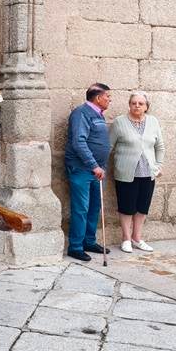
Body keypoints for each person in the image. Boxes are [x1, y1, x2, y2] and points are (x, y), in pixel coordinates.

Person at [108, 91, 165, 253]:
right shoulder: (119, 122)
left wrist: (158, 165)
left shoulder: (153, 121)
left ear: (146, 106)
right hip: (126, 172)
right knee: (126, 206)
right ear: (129, 105)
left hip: (148, 172)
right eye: (134, 103)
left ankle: (137, 238)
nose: (137, 106)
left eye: (141, 103)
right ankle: (126, 239)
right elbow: (109, 146)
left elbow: (160, 146)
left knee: (142, 207)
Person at [64, 83, 113, 262]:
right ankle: (76, 247)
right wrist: (94, 165)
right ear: (98, 98)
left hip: (97, 170)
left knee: (94, 207)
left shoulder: (98, 115)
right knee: (81, 208)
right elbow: (79, 142)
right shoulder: (81, 113)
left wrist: (100, 166)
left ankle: (89, 241)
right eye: (107, 96)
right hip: (82, 169)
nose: (110, 100)